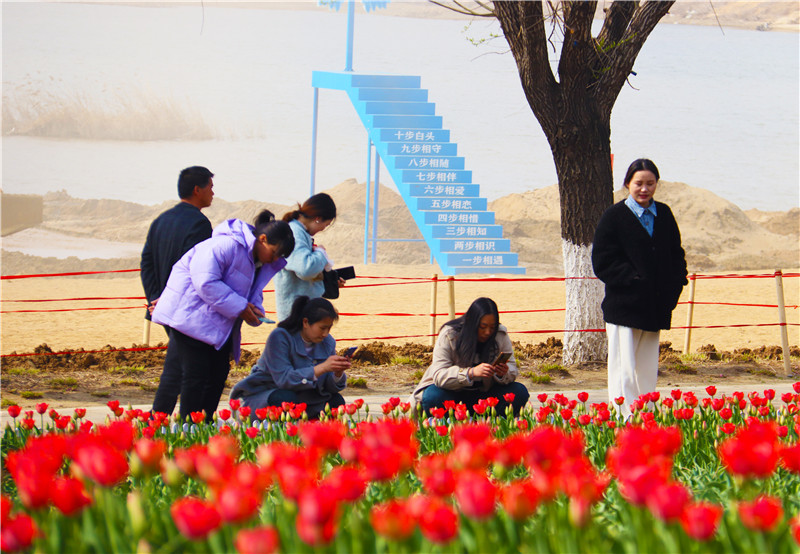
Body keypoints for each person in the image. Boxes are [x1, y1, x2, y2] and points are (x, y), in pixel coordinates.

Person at [151, 210, 295, 423]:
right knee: (194, 377)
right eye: (274, 253)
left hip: (216, 323)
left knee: (216, 376)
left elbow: (251, 292)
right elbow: (205, 282)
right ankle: (186, 428)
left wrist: (254, 310)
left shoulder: (258, 260)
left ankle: (200, 425)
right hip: (190, 317)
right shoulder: (225, 245)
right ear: (262, 239)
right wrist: (240, 306)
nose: (273, 260)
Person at [592, 158, 688, 418]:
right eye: (638, 183)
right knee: (624, 366)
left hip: (656, 305)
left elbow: (676, 254)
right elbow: (602, 261)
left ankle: (647, 412)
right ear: (627, 184)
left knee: (646, 366)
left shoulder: (664, 214)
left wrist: (676, 284)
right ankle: (624, 416)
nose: (644, 189)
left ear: (656, 184)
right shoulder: (614, 216)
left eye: (650, 183)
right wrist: (634, 281)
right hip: (625, 306)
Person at [142, 166, 214, 415]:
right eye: (210, 187)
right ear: (197, 190)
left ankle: (161, 421)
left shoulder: (161, 220)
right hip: (184, 309)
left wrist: (155, 298)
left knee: (178, 367)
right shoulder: (200, 224)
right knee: (184, 372)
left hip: (164, 308)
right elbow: (196, 271)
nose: (213, 193)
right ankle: (178, 423)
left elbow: (146, 263)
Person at [230, 295, 349, 419]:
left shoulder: (327, 342)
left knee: (336, 401)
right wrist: (322, 368)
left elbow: (327, 388)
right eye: (322, 328)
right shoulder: (281, 337)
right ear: (306, 322)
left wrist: (337, 374)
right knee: (286, 399)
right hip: (266, 394)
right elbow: (284, 380)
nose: (325, 333)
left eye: (329, 328)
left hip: (306, 398)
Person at [411, 297, 530, 416]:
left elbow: (512, 369)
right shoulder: (450, 335)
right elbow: (439, 375)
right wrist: (470, 373)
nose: (488, 332)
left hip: (485, 395)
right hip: (453, 394)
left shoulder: (500, 334)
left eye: (492, 327)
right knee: (433, 397)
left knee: (519, 392)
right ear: (471, 322)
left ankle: (491, 423)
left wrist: (503, 374)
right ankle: (452, 423)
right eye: (482, 327)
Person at [274, 193, 344, 321]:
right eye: (326, 225)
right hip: (296, 315)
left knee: (328, 341)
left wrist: (329, 280)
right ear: (317, 219)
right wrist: (320, 253)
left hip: (304, 311)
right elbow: (305, 269)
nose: (323, 229)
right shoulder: (295, 232)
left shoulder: (300, 233)